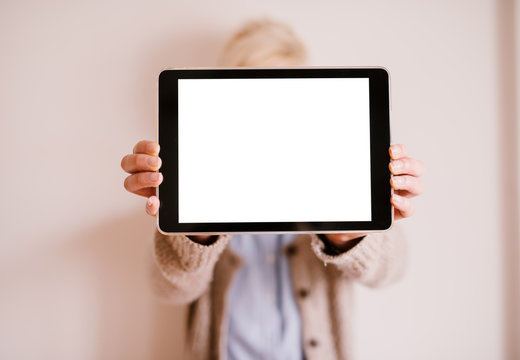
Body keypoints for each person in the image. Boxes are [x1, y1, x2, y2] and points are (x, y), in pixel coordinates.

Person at [121, 19, 425, 360]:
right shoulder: (189, 192)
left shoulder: (335, 181)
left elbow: (391, 270)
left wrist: (350, 235)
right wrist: (196, 238)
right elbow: (167, 290)